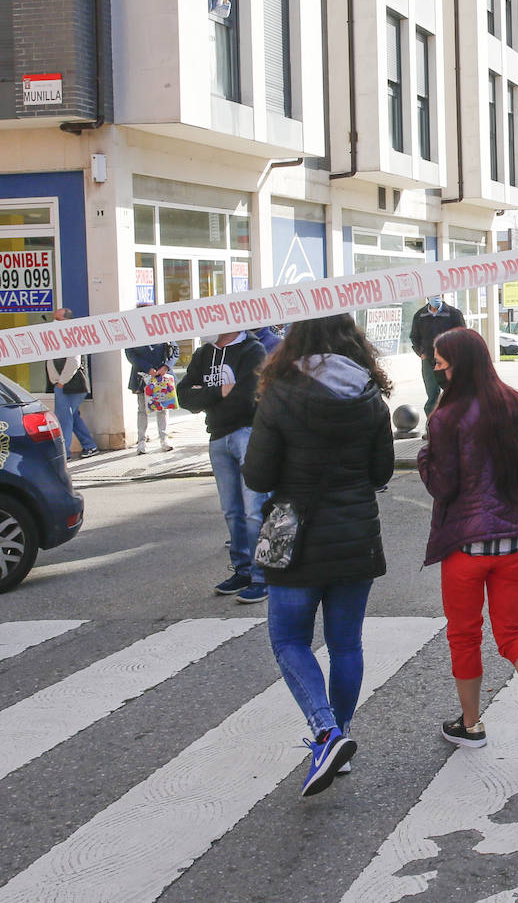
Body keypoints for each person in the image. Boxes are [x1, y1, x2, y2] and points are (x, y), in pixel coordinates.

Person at [241, 316, 394, 797]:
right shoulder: (369, 393)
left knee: (289, 640)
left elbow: (258, 476)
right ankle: (339, 736)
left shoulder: (281, 392)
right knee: (346, 644)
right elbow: (381, 470)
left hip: (295, 538)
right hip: (355, 534)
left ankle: (327, 732)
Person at [418, 328, 518, 761]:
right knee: (514, 634)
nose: (436, 368)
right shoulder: (517, 403)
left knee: (465, 636)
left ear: (457, 365)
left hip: (467, 548)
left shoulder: (446, 416)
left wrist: (424, 457)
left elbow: (442, 486)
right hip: (515, 541)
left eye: (440, 362)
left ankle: (471, 726)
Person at [177, 329, 269, 604]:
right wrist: (219, 391)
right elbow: (183, 396)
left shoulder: (253, 351)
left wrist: (205, 397)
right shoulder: (204, 353)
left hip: (247, 433)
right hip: (217, 436)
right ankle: (242, 570)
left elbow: (245, 399)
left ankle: (261, 576)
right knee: (232, 510)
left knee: (254, 509)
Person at [46, 308, 99, 459]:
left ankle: (64, 453)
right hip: (64, 385)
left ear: (66, 321)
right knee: (72, 417)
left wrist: (61, 382)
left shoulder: (71, 336)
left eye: (57, 319)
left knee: (64, 419)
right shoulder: (56, 336)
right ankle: (90, 446)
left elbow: (73, 362)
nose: (53, 322)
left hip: (69, 386)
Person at [124, 316, 179, 454]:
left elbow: (175, 351)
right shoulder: (134, 334)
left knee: (163, 408)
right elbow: (130, 354)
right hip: (143, 377)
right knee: (142, 409)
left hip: (162, 376)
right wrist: (148, 368)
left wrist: (166, 367)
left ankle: (164, 439)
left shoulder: (163, 330)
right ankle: (141, 441)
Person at [410, 294, 466, 416]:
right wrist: (421, 353)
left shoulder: (453, 314)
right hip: (429, 361)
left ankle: (455, 423)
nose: (435, 297)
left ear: (442, 295)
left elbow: (462, 335)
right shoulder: (420, 315)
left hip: (449, 361)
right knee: (432, 396)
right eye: (432, 294)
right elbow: (414, 337)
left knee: (452, 393)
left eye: (438, 294)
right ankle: (432, 428)